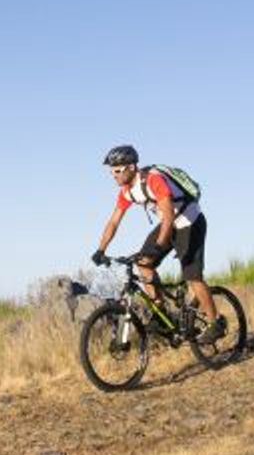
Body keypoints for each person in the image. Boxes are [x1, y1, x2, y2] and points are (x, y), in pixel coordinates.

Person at [91, 145, 224, 341]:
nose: (114, 175)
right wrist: (100, 250)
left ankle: (216, 323)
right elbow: (113, 221)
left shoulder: (153, 180)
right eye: (111, 171)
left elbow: (169, 215)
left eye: (118, 170)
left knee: (192, 276)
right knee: (143, 263)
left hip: (190, 221)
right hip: (169, 223)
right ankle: (161, 312)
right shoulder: (127, 192)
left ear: (131, 167)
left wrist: (160, 245)